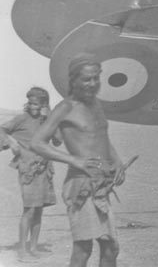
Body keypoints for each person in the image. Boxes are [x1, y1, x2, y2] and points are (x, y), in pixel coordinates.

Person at [30, 54, 128, 267]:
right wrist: (74, 160)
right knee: (83, 248)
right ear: (73, 80)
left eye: (96, 78)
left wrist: (117, 161)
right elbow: (37, 143)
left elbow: (100, 136)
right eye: (86, 79)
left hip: (102, 184)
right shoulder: (65, 107)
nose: (92, 84)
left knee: (111, 248)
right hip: (81, 186)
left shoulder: (96, 104)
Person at [1, 87, 61, 262]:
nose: (32, 106)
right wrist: (11, 142)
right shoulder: (21, 119)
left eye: (36, 104)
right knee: (29, 210)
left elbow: (57, 141)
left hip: (45, 170)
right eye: (30, 103)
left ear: (44, 105)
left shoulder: (48, 121)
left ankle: (33, 247)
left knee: (39, 210)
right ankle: (22, 251)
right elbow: (1, 129)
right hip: (28, 170)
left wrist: (50, 118)